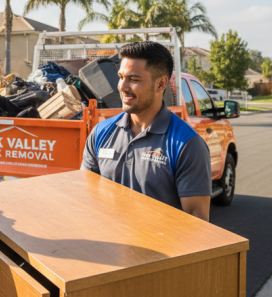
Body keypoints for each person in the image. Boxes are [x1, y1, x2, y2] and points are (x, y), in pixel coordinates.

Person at [80, 41, 212, 221]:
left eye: (134, 79)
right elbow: (85, 198)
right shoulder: (100, 133)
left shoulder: (187, 144)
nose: (122, 87)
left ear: (161, 84)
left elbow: (197, 222)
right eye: (121, 77)